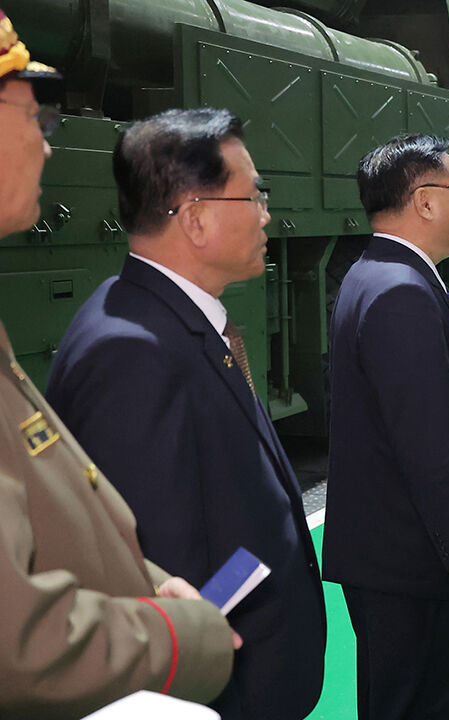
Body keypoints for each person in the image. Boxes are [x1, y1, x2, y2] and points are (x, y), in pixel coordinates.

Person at [44, 108, 325, 720]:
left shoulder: (165, 319)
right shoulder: (132, 353)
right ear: (195, 218)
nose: (266, 215)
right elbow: (155, 567)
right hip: (219, 691)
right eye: (253, 196)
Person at [0, 11, 235, 718]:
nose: (47, 144)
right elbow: (20, 646)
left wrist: (144, 582)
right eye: (34, 116)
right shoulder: (130, 343)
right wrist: (182, 636)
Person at [324, 134, 449, 720]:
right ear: (426, 201)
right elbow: (428, 442)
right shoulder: (402, 290)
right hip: (419, 562)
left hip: (394, 554)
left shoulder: (373, 274)